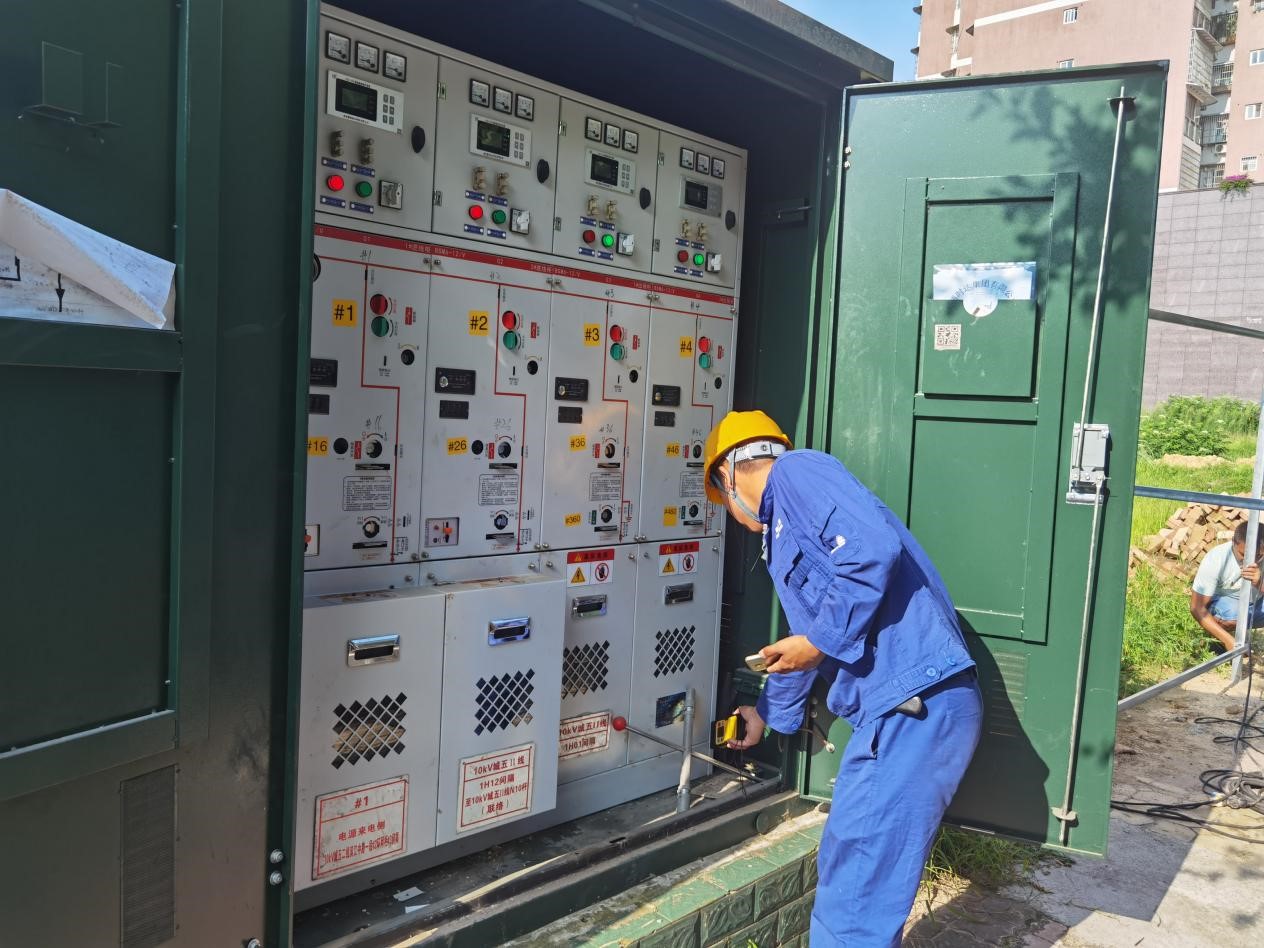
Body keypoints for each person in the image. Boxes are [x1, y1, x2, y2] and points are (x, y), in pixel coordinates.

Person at [705, 410, 982, 948]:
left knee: (856, 896)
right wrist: (765, 714)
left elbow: (871, 552)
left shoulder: (796, 472)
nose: (734, 517)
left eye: (723, 502)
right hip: (901, 711)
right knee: (851, 872)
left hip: (914, 704)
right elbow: (808, 635)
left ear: (728, 475)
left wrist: (817, 643)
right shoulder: (784, 531)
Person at [1189, 520, 1264, 654]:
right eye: (1243, 555)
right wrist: (1228, 640)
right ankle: (1218, 640)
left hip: (1256, 603)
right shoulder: (1216, 559)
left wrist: (1259, 583)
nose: (1251, 561)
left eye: (1258, 556)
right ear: (1233, 542)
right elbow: (1196, 607)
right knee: (1231, 613)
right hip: (1227, 606)